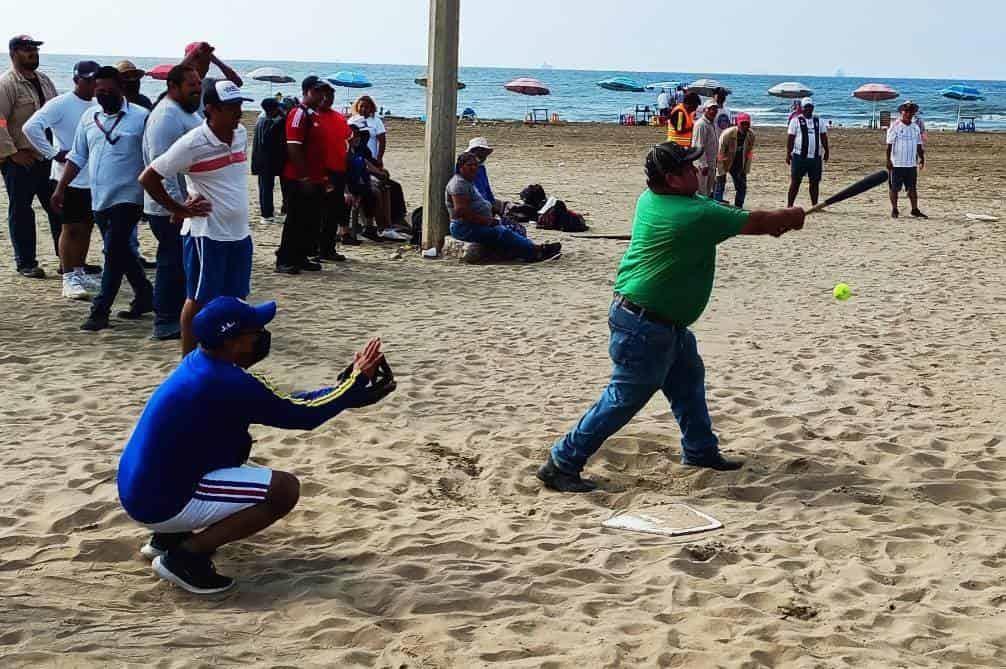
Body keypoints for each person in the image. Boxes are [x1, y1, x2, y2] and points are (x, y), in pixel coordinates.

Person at [537, 143, 806, 492]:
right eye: (689, 169)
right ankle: (562, 461)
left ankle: (700, 451)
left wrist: (778, 220)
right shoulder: (691, 215)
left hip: (657, 322)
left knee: (688, 383)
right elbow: (756, 222)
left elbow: (725, 212)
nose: (699, 171)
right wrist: (788, 216)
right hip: (644, 325)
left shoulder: (654, 199)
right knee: (624, 398)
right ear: (671, 179)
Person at [116, 296, 392, 594]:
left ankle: (168, 537)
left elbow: (290, 403)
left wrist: (344, 391)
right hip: (159, 501)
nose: (263, 337)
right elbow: (303, 415)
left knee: (233, 449)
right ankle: (186, 557)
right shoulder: (226, 382)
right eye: (255, 332)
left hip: (141, 488)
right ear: (232, 341)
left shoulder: (200, 363)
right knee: (283, 489)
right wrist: (351, 386)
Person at [140, 78, 254, 356]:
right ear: (210, 109)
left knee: (235, 299)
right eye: (230, 107)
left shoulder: (240, 134)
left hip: (239, 232)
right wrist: (179, 208)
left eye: (239, 105)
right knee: (198, 299)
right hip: (207, 234)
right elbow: (149, 177)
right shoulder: (193, 143)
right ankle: (189, 363)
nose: (238, 112)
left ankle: (225, 356)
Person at [52, 67, 152, 331]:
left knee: (113, 250)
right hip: (98, 197)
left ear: (121, 88)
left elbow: (153, 159)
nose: (104, 95)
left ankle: (100, 311)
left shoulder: (141, 118)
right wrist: (61, 187)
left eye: (109, 90)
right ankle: (145, 295)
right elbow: (77, 156)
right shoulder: (89, 117)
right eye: (99, 91)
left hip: (130, 197)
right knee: (121, 251)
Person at [22, 60, 101, 299]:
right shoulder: (61, 103)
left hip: (93, 177)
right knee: (70, 227)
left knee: (87, 227)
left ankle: (79, 270)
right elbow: (31, 127)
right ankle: (68, 277)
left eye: (95, 79)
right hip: (67, 177)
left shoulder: (99, 104)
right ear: (76, 80)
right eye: (87, 80)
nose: (92, 84)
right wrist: (52, 153)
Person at [141, 65, 203, 342]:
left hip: (183, 206)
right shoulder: (166, 117)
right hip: (168, 207)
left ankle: (177, 316)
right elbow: (159, 166)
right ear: (173, 87)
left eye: (199, 83)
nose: (197, 88)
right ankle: (165, 320)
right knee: (170, 262)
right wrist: (176, 208)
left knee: (182, 263)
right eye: (191, 84)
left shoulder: (186, 111)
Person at [0, 34, 58, 278]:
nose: (33, 53)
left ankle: (68, 259)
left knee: (58, 207)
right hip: (21, 159)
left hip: (48, 157)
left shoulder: (44, 81)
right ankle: (26, 263)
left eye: (34, 48)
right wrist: (12, 154)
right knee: (22, 211)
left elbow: (57, 114)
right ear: (14, 53)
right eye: (26, 49)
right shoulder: (7, 84)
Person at [447, 151, 561, 263]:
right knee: (501, 232)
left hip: (475, 224)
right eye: (469, 165)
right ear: (461, 167)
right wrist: (487, 221)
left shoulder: (468, 182)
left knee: (511, 228)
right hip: (464, 227)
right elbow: (461, 212)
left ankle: (532, 249)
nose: (473, 168)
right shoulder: (459, 184)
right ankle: (536, 252)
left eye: (475, 165)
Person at [275, 76, 327, 275]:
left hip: (314, 177)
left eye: (322, 91)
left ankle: (301, 256)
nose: (321, 95)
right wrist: (303, 177)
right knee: (295, 219)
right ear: (306, 92)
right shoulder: (299, 113)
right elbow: (293, 147)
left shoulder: (314, 115)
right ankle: (285, 258)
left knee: (309, 219)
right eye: (317, 91)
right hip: (297, 177)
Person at [314, 83, 353, 257]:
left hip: (338, 169)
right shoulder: (312, 116)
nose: (327, 99)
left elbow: (347, 137)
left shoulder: (338, 117)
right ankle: (314, 247)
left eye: (330, 96)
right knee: (317, 212)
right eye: (324, 96)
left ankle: (328, 248)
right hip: (320, 170)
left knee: (333, 211)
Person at [886, 101, 927, 220]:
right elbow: (889, 146)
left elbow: (919, 145)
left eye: (911, 111)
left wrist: (922, 158)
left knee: (912, 188)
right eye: (906, 111)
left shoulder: (915, 127)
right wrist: (888, 161)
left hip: (911, 164)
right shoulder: (894, 127)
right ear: (901, 112)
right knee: (894, 188)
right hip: (897, 164)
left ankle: (914, 209)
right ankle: (894, 209)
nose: (908, 114)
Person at [786, 97, 829, 207]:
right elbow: (791, 138)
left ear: (813, 108)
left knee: (814, 182)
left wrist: (827, 150)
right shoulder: (795, 121)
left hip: (815, 157)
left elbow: (823, 137)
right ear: (802, 108)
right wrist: (788, 153)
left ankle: (814, 205)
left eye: (810, 107)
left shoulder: (819, 121)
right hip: (799, 156)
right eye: (806, 107)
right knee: (796, 182)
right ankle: (790, 205)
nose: (808, 109)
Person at [251, 98, 286, 224]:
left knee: (265, 187)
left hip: (263, 160)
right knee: (266, 188)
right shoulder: (268, 122)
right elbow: (267, 140)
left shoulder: (262, 119)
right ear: (273, 109)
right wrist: (281, 120)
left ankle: (268, 214)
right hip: (267, 161)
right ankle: (266, 215)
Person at [714, 112, 755, 208]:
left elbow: (749, 152)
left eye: (747, 124)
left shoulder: (751, 135)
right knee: (720, 186)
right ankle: (717, 207)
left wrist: (746, 168)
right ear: (737, 123)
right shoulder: (727, 134)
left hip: (739, 163)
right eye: (743, 123)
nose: (745, 126)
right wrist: (721, 170)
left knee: (742, 187)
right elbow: (720, 152)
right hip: (725, 161)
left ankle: (738, 207)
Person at [691, 101, 719, 196]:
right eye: (710, 109)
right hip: (703, 165)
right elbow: (698, 146)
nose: (713, 111)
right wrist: (703, 165)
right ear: (704, 110)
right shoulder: (701, 125)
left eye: (715, 109)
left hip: (711, 163)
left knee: (707, 191)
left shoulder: (712, 123)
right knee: (701, 192)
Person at [348, 95, 386, 166]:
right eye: (361, 106)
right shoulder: (351, 120)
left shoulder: (376, 121)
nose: (363, 109)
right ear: (357, 107)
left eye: (366, 107)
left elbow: (382, 142)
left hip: (371, 158)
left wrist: (379, 157)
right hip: (355, 158)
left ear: (371, 108)